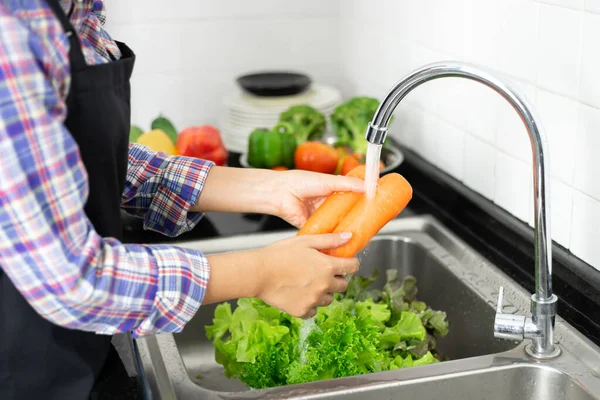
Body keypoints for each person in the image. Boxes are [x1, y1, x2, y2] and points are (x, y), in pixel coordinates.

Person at [0, 1, 363, 399]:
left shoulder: (75, 10)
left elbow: (78, 159)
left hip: (73, 354)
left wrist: (270, 190)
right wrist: (264, 272)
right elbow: (71, 277)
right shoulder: (13, 27)